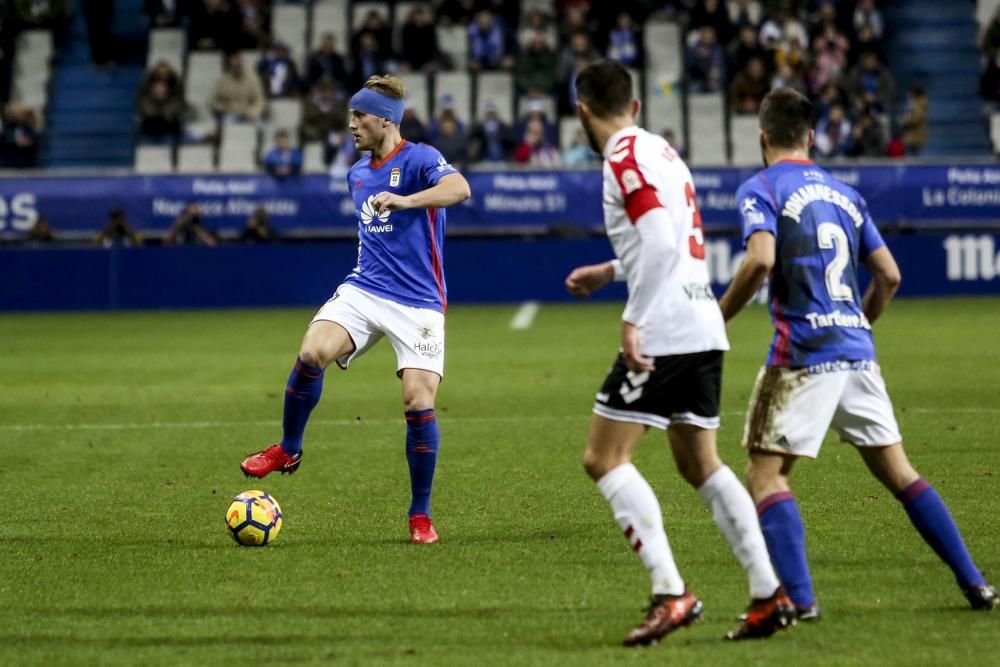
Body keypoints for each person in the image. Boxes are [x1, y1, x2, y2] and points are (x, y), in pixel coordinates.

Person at [717, 87, 998, 618]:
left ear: (762, 138)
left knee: (764, 475)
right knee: (900, 473)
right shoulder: (846, 194)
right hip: (855, 347)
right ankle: (975, 583)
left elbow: (758, 262)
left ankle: (800, 601)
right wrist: (858, 321)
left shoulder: (760, 189)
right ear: (810, 136)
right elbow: (889, 274)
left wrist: (715, 318)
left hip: (803, 350)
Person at [563, 61, 794, 647]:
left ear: (582, 111)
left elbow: (663, 241)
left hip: (665, 327)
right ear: (635, 107)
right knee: (701, 464)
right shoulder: (662, 151)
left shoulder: (620, 157)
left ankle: (671, 593)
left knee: (603, 458)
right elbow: (666, 238)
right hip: (702, 321)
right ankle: (770, 593)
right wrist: (611, 271)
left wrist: (633, 316)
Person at [239, 75, 472, 546]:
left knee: (417, 402)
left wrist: (407, 200)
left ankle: (420, 514)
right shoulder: (357, 173)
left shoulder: (422, 159)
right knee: (311, 353)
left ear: (384, 119)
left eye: (358, 116)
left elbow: (460, 188)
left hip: (419, 301)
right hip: (366, 289)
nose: (351, 125)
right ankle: (289, 448)